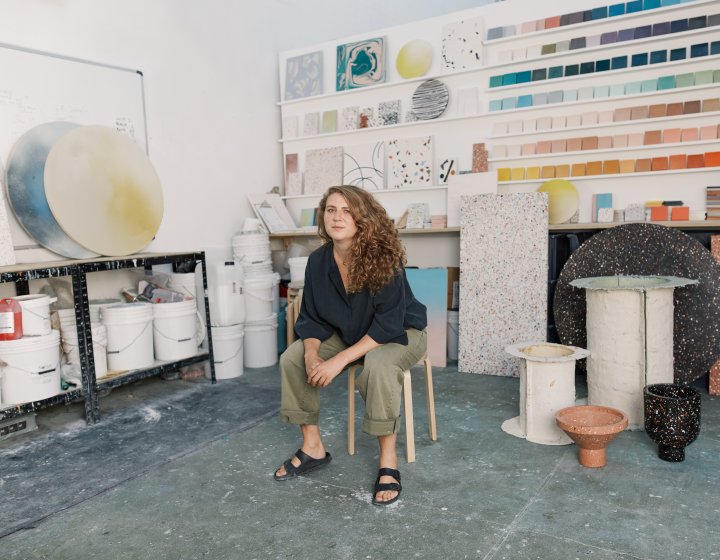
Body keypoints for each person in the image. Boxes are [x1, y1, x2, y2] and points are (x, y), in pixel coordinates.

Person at [273, 185, 427, 506]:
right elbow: (311, 318)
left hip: (401, 332)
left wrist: (338, 361)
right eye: (331, 210)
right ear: (323, 217)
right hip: (351, 333)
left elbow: (387, 324)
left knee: (379, 366)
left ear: (361, 218)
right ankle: (312, 446)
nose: (337, 217)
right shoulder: (317, 262)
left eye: (346, 211)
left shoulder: (383, 257)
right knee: (292, 357)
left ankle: (388, 459)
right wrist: (313, 354)